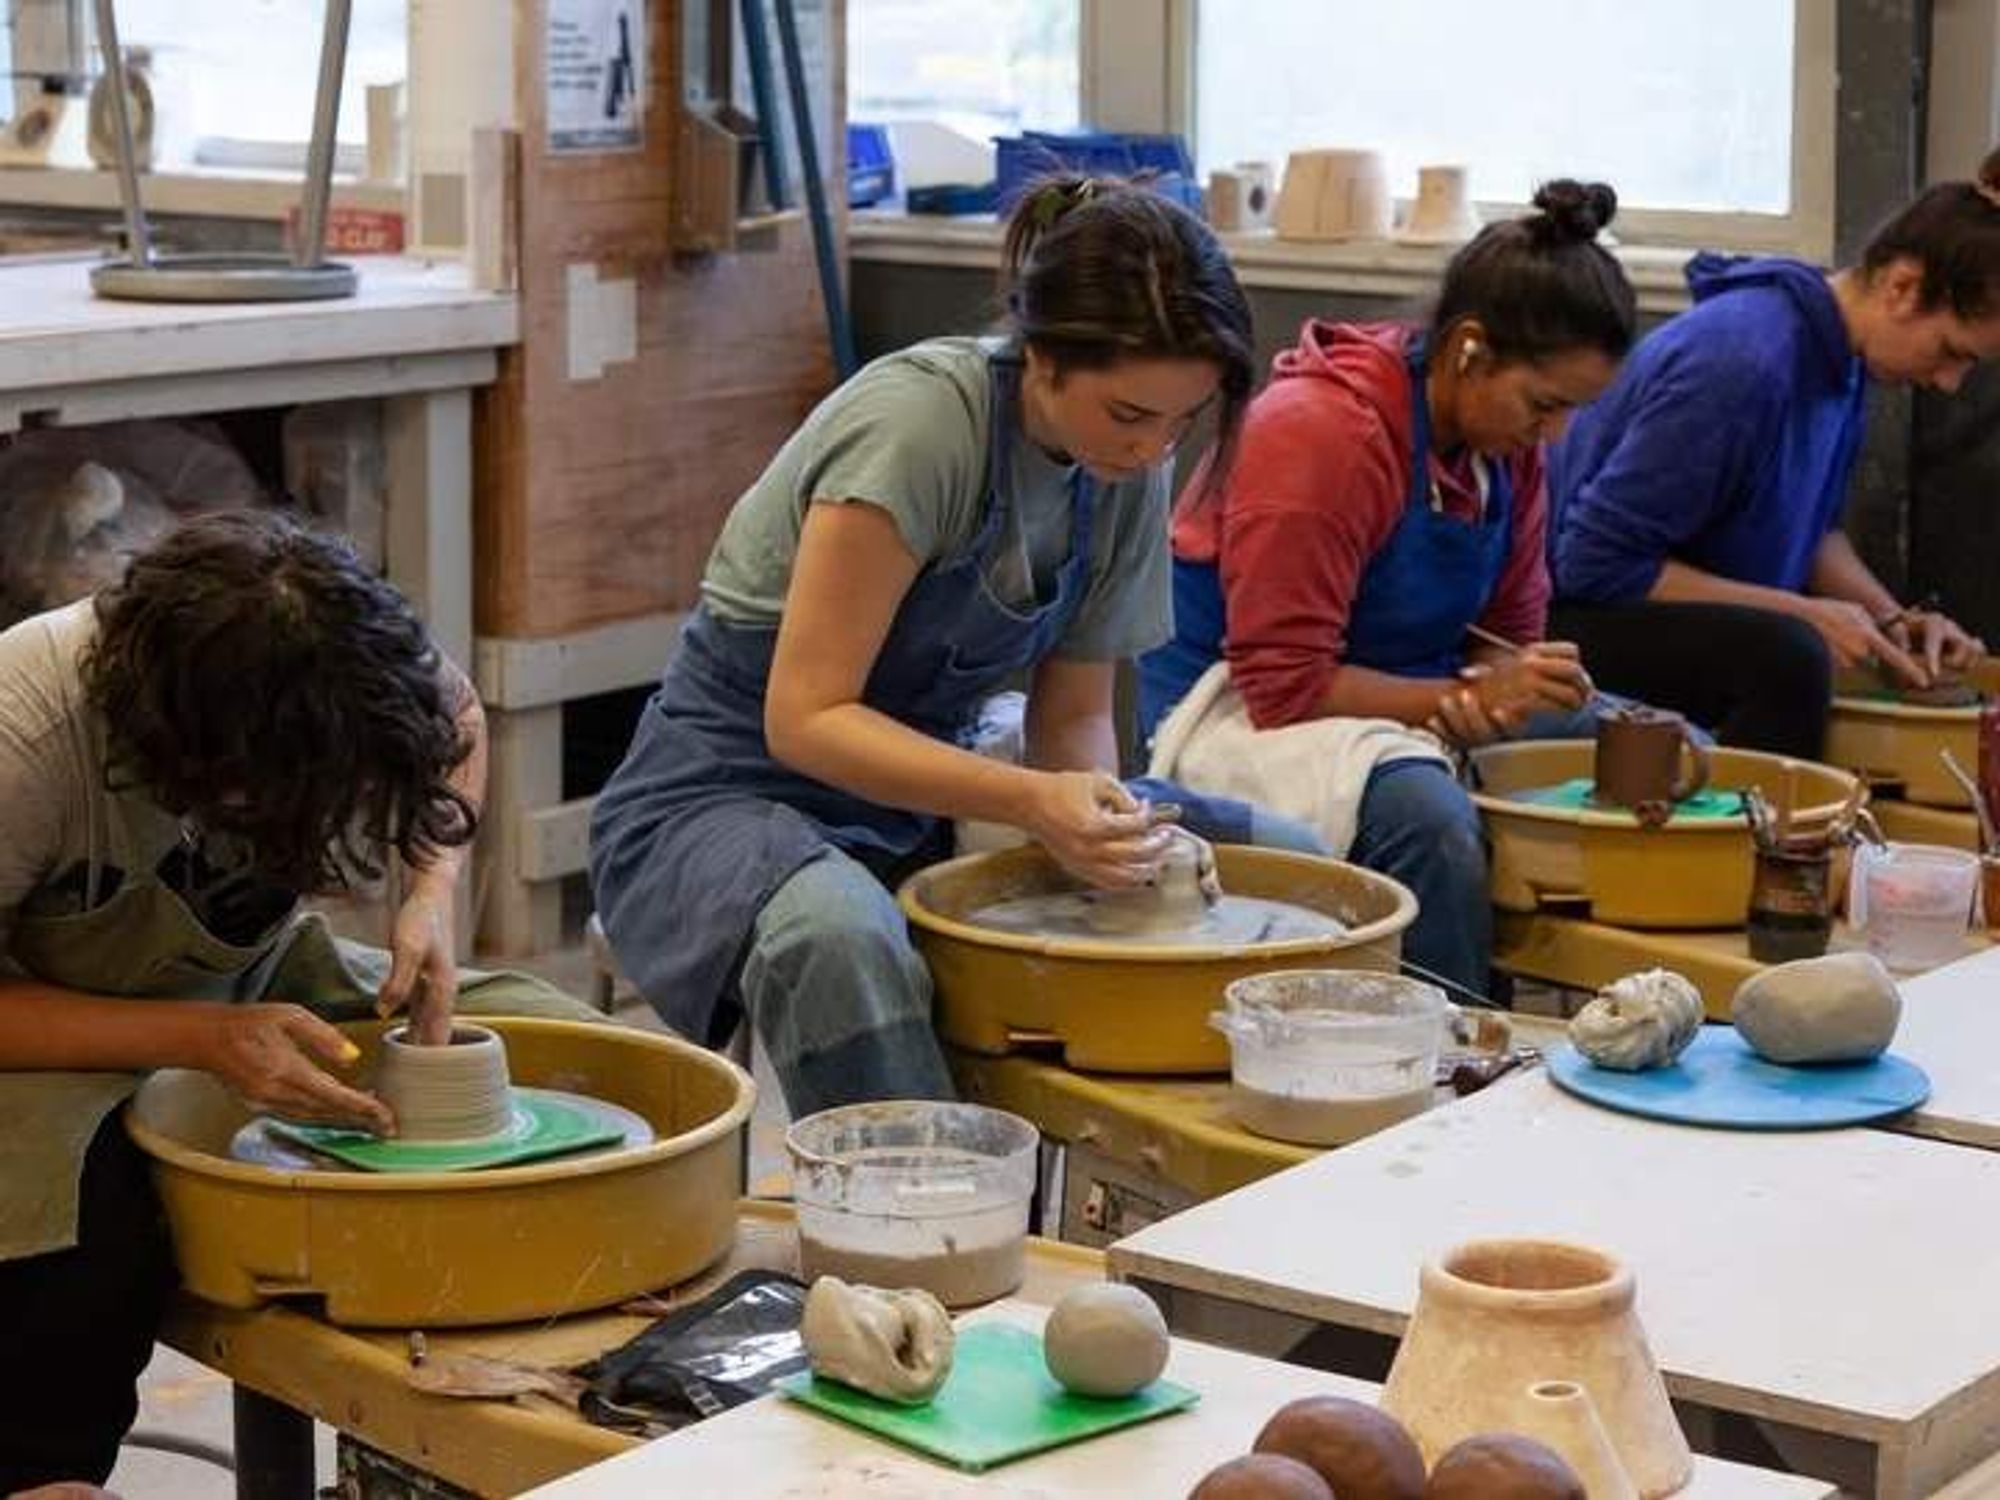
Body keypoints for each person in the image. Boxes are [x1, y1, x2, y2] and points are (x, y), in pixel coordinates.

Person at [591, 175, 1316, 1117]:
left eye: (1183, 421)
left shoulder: (1128, 463)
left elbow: (1078, 720)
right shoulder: (923, 426)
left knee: (1286, 858)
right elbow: (806, 719)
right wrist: (1031, 803)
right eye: (1131, 416)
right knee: (839, 936)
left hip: (930, 787)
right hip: (725, 791)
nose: (1152, 449)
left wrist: (1096, 823)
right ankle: (926, 1231)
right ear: (1044, 357)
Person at [0, 511, 600, 1493]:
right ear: (198, 762)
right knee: (81, 1221)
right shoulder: (24, 732)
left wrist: (431, 896)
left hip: (254, 972)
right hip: (42, 1029)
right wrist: (198, 1039)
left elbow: (456, 725)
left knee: (560, 1035)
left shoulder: (341, 667)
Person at [1138, 182, 1638, 996]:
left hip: (1393, 686)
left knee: (1642, 739)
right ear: (1469, 348)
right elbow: (1283, 684)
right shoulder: (1320, 429)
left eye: (1573, 413)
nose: (1555, 435)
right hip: (1223, 703)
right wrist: (1460, 696)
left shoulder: (1508, 452)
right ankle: (1451, 1055)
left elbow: (1507, 637)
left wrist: (1516, 686)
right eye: (1545, 404)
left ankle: (1615, 1010)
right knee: (1429, 821)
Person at [1548, 151, 2000, 757]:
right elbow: (1592, 563)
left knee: (1805, 641)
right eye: (1951, 351)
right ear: (1902, 287)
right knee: (1789, 657)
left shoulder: (1844, 359)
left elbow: (1814, 531)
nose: (1948, 382)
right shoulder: (1742, 360)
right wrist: (1805, 614)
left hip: (1675, 606)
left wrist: (1894, 623)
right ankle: (1745, 846)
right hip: (1569, 621)